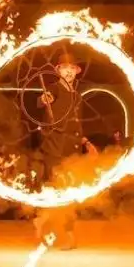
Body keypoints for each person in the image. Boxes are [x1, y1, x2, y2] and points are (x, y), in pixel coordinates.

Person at [33, 52, 96, 250]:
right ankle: (53, 231)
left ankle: (59, 232)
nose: (69, 72)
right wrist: (44, 100)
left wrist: (86, 142)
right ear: (58, 70)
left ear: (76, 73)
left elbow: (77, 125)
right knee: (57, 191)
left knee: (68, 193)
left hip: (71, 150)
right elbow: (41, 101)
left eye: (72, 69)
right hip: (54, 149)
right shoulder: (53, 90)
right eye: (65, 68)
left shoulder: (77, 96)